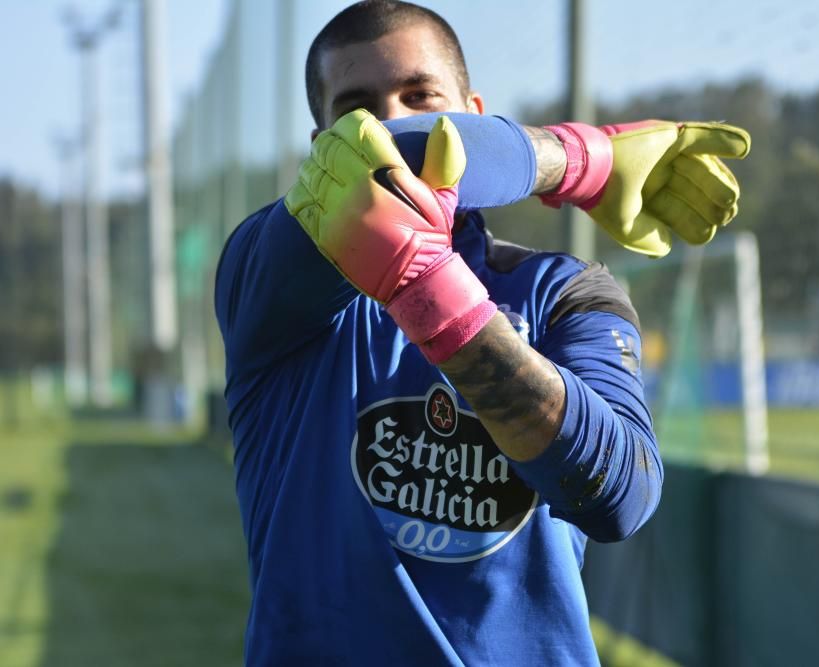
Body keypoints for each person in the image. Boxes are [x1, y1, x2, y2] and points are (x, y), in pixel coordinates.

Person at [215, 1, 749, 664]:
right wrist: (587, 159)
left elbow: (620, 495)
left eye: (421, 97)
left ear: (474, 111)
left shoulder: (564, 291)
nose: (393, 123)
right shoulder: (265, 275)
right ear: (319, 145)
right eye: (356, 112)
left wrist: (432, 291)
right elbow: (385, 165)